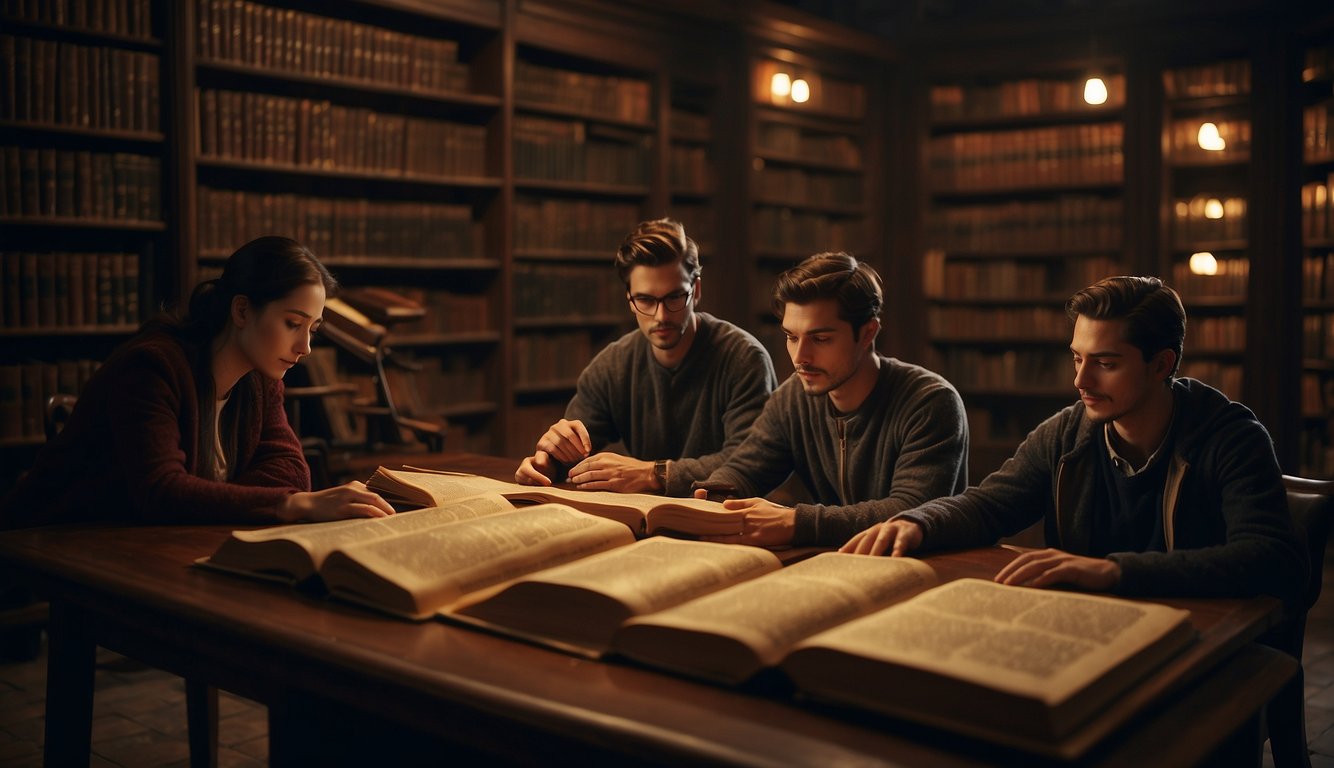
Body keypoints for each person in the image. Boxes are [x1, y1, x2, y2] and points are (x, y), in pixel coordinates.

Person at [842, 275, 1306, 607]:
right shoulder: (1068, 431)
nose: (1081, 380)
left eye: (1105, 363)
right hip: (1091, 618)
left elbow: (1269, 557)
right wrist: (919, 523)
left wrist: (1113, 571)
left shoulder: (1231, 437)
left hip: (1199, 634)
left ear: (1162, 365)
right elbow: (990, 504)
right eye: (1076, 358)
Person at [0, 236, 395, 528]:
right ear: (241, 310)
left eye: (313, 328)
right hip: (55, 543)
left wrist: (207, 498)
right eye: (293, 324)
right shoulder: (152, 368)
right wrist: (292, 506)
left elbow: (291, 471)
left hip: (150, 542)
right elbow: (162, 491)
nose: (305, 347)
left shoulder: (261, 377)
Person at [692, 252, 969, 548]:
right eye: (791, 336)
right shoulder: (791, 399)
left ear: (867, 333)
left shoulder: (931, 403)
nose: (800, 357)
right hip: (839, 562)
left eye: (820, 339)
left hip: (924, 569)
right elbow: (745, 469)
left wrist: (794, 522)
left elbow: (907, 511)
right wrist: (713, 499)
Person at [514, 218, 776, 496]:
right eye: (646, 301)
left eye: (675, 298)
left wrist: (654, 473)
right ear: (629, 299)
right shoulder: (612, 366)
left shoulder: (744, 359)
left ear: (696, 290)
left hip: (729, 517)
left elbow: (749, 463)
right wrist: (547, 464)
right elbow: (573, 452)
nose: (661, 316)